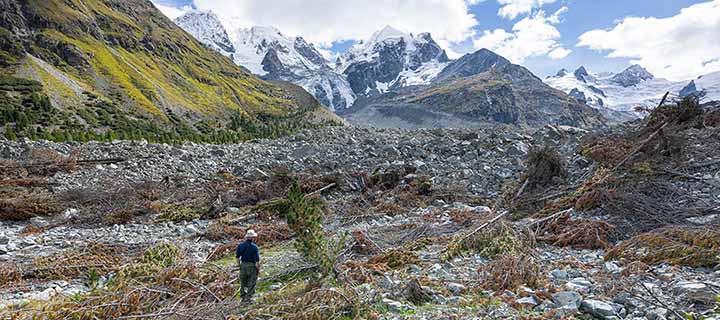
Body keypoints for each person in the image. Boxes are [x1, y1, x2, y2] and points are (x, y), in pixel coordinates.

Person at [236, 229, 260, 302]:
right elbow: (257, 261)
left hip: (243, 265)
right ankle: (249, 297)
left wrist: (239, 265)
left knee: (243, 282)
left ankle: (243, 296)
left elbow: (237, 257)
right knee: (251, 281)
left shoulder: (240, 246)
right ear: (252, 238)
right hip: (251, 265)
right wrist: (258, 269)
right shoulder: (254, 247)